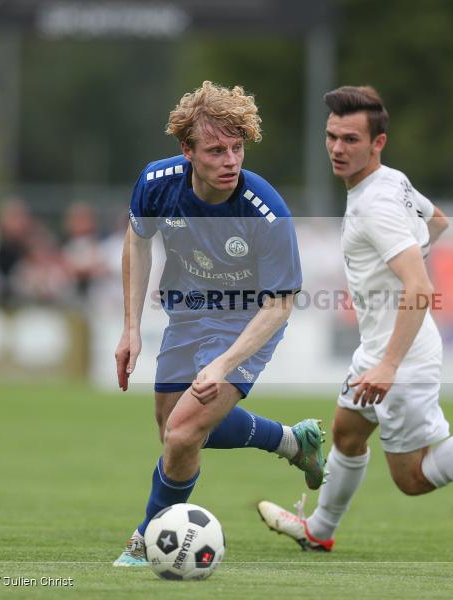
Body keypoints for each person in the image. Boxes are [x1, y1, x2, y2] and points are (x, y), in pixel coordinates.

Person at [257, 86, 453, 552]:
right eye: (332, 137)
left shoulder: (376, 205)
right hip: (379, 347)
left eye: (350, 139)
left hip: (399, 356)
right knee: (347, 432)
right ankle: (319, 532)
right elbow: (439, 222)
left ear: (377, 143)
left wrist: (388, 365)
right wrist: (401, 261)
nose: (337, 148)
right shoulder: (390, 181)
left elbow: (421, 288)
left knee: (413, 477)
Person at [112, 81, 326, 566]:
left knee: (185, 432)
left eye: (237, 147)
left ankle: (148, 540)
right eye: (215, 150)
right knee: (172, 429)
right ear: (187, 151)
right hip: (187, 314)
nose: (231, 160)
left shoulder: (265, 211)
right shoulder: (157, 183)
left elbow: (279, 305)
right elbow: (138, 239)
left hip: (247, 321)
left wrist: (224, 364)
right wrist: (129, 328)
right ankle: (293, 442)